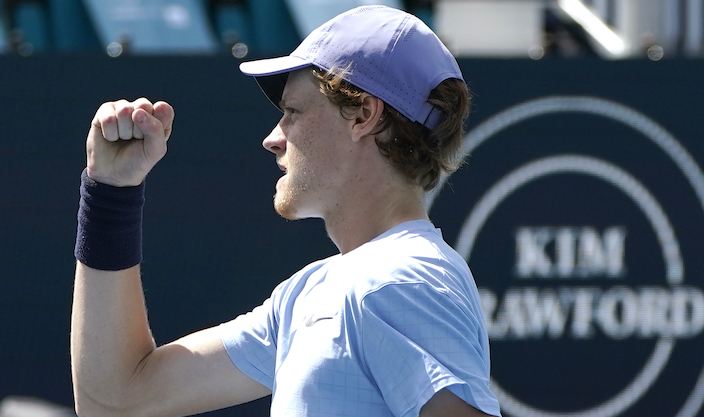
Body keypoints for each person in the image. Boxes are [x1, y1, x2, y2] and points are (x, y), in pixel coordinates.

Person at [71, 5, 500, 417]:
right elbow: (115, 400)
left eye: (292, 112)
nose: (273, 139)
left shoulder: (395, 283)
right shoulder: (311, 295)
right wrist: (111, 191)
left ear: (363, 116)